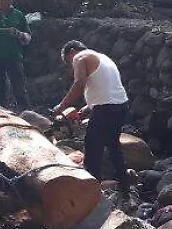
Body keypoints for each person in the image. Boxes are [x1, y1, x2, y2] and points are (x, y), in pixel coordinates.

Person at [52, 40, 131, 195]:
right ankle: (124, 187)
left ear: (72, 51)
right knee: (113, 146)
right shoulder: (103, 57)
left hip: (105, 109)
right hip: (120, 105)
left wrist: (61, 106)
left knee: (92, 146)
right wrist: (87, 108)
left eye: (69, 60)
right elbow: (106, 88)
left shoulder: (80, 57)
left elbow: (79, 83)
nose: (71, 65)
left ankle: (91, 191)